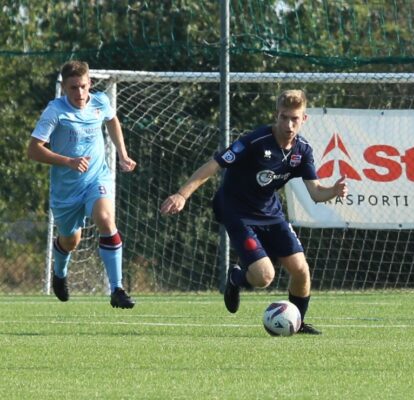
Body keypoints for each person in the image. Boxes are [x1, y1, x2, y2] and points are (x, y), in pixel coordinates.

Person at [160, 89, 347, 334]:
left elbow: (315, 193)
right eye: (284, 117)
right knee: (263, 277)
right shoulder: (255, 141)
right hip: (237, 211)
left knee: (301, 269)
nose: (289, 125)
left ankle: (296, 321)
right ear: (276, 115)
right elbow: (214, 165)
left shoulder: (302, 151)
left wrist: (333, 190)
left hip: (271, 212)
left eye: (295, 119)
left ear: (304, 119)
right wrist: (182, 194)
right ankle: (237, 277)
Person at [28, 60, 137, 309]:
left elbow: (112, 119)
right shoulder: (55, 111)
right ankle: (60, 272)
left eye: (83, 86)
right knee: (71, 241)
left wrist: (122, 153)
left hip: (97, 178)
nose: (79, 93)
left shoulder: (100, 102)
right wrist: (68, 161)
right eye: (73, 88)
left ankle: (117, 289)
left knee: (105, 218)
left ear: (90, 84)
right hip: (66, 189)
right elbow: (33, 150)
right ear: (64, 88)